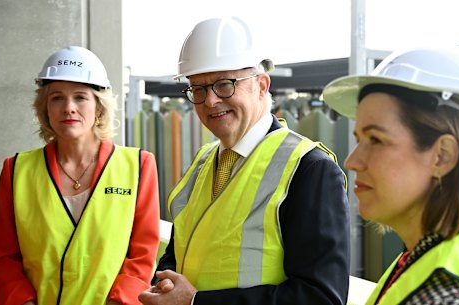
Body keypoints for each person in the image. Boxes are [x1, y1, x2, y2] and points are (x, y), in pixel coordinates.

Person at [138, 16, 350, 305]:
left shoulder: (309, 169)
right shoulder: (203, 163)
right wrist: (162, 284)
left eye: (224, 85)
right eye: (198, 89)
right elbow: (180, 251)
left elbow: (320, 298)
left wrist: (195, 302)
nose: (210, 101)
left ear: (262, 85)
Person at [322, 45, 459, 304]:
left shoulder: (447, 296)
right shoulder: (434, 256)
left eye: (376, 140)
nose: (352, 161)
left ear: (443, 156)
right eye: (359, 139)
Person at [0, 46, 160, 305]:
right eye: (57, 98)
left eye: (80, 97)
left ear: (98, 108)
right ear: (45, 108)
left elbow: (143, 256)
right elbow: (4, 258)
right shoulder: (16, 170)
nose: (68, 108)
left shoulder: (138, 166)